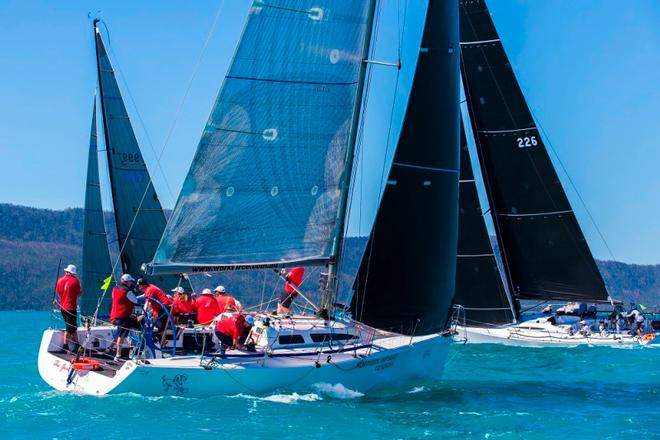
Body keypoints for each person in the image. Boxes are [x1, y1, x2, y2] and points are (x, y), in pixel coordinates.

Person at [110, 274, 142, 361]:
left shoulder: (114, 289)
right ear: (127, 282)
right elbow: (135, 300)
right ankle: (118, 355)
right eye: (130, 281)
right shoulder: (127, 291)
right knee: (122, 335)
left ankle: (111, 347)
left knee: (120, 333)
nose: (131, 283)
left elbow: (115, 299)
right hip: (123, 316)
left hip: (115, 315)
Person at [55, 264, 83, 352]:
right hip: (71, 307)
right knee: (70, 328)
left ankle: (78, 345)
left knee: (73, 327)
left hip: (63, 307)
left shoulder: (60, 280)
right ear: (73, 273)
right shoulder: (75, 281)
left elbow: (59, 292)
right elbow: (79, 293)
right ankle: (65, 346)